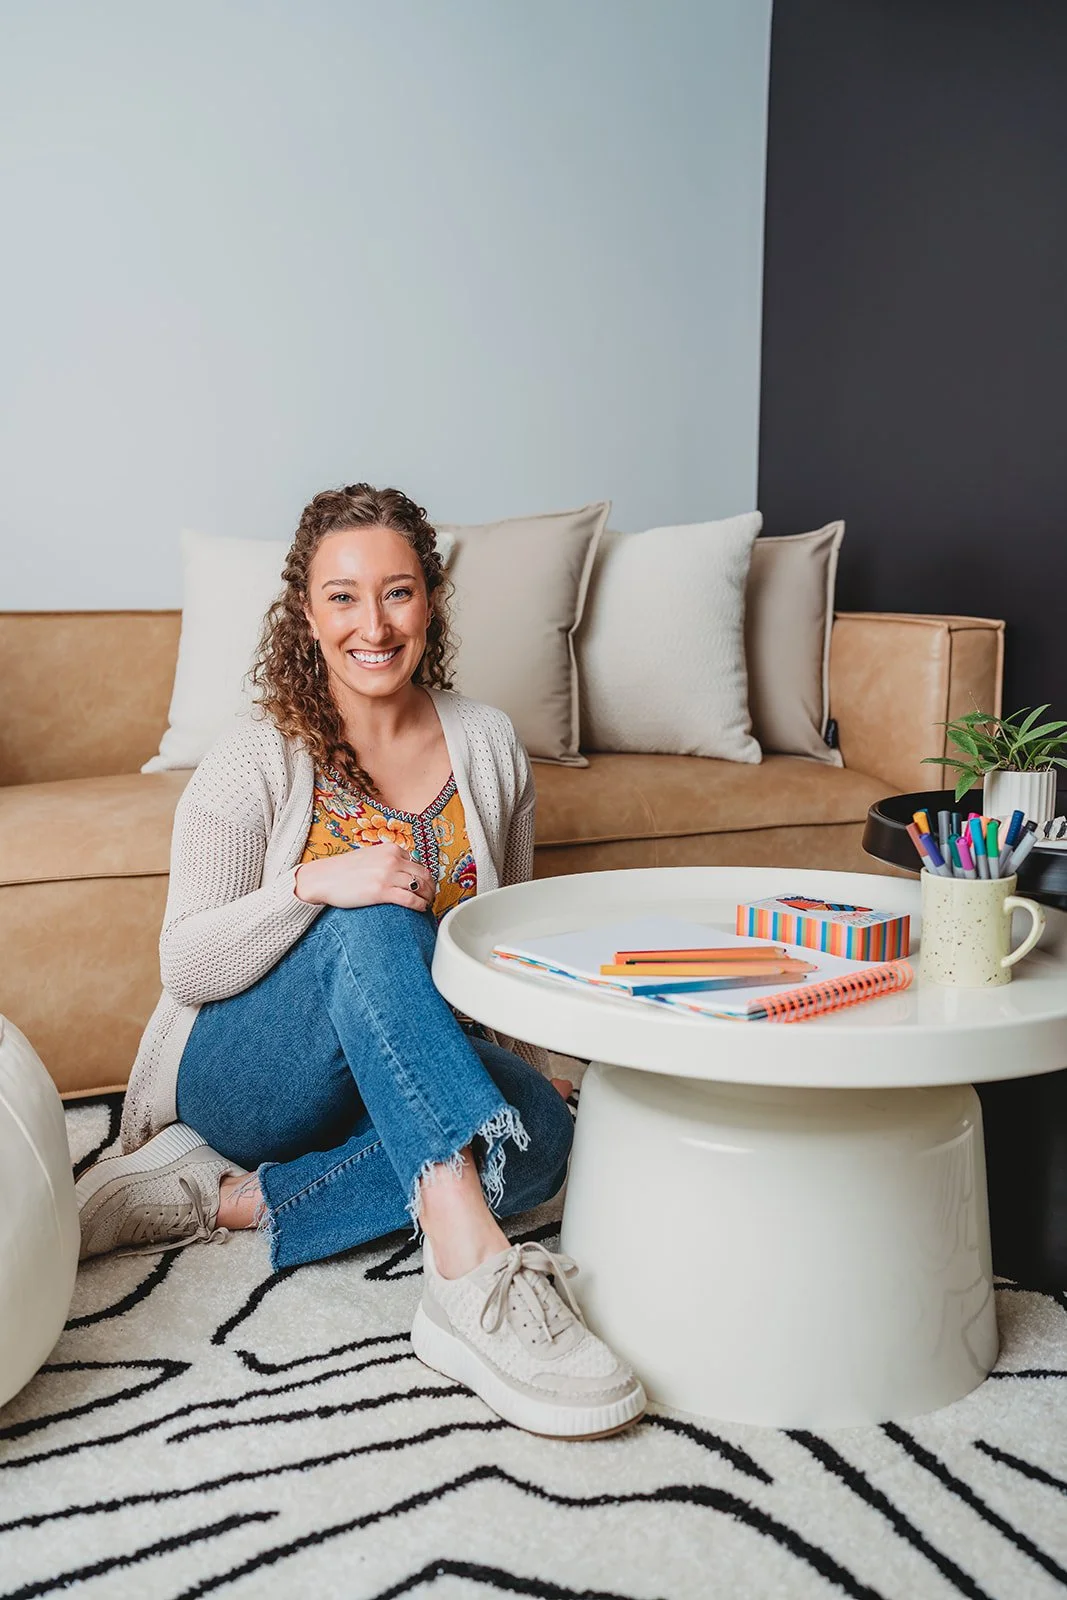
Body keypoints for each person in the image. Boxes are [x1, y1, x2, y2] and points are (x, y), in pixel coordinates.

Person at [75, 483, 645, 1440]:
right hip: (257, 1072)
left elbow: (495, 939)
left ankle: (228, 1203)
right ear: (305, 612)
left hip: (405, 1064)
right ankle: (469, 1277)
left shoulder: (489, 745)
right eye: (342, 596)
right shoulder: (252, 757)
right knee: (376, 916)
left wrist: (543, 1064)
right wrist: (313, 886)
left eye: (397, 592)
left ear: (430, 603)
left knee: (540, 1130)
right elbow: (185, 964)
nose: (372, 624)